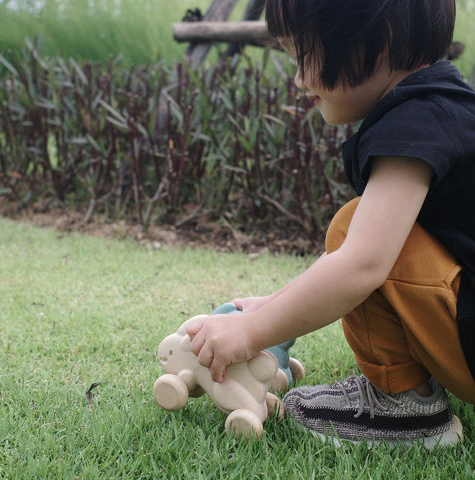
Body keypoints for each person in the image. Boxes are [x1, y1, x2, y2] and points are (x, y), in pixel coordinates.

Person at [187, 0, 475, 448]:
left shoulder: (414, 121)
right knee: (361, 226)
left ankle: (402, 409)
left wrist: (248, 334)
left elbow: (361, 263)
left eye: (304, 55)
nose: (298, 79)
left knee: (351, 223)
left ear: (380, 41)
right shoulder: (442, 108)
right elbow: (374, 251)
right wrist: (271, 306)